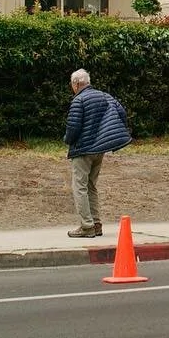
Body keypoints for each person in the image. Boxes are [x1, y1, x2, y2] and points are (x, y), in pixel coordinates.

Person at [62, 68, 133, 237]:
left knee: (79, 186)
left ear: (76, 84)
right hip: (99, 149)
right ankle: (97, 223)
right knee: (91, 186)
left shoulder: (79, 100)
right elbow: (122, 113)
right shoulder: (105, 96)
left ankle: (87, 227)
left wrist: (67, 140)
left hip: (83, 150)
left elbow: (73, 127)